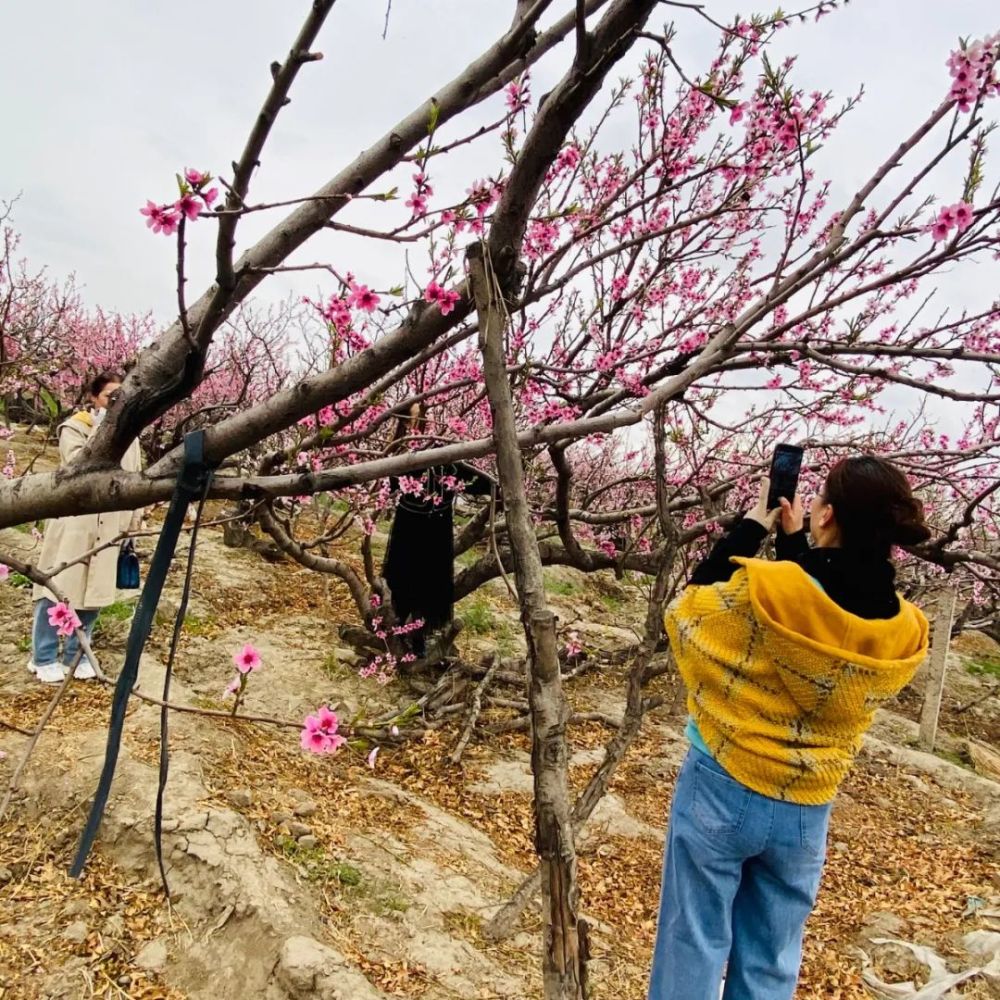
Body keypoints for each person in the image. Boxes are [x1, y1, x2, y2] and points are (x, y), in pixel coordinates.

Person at [648, 455, 931, 1000]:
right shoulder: (903, 627)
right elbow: (819, 615)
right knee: (773, 957)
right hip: (806, 805)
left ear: (825, 514)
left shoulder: (766, 592)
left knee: (694, 939)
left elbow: (689, 612)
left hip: (722, 780)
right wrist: (801, 547)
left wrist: (754, 526)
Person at [27, 372, 143, 683]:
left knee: (94, 595)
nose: (117, 402)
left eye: (122, 396)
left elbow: (138, 481)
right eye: (109, 396)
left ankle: (75, 656)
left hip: (111, 528)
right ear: (94, 398)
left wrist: (133, 525)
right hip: (76, 523)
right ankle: (43, 656)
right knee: (56, 591)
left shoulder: (133, 437)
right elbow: (78, 466)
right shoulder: (76, 427)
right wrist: (104, 429)